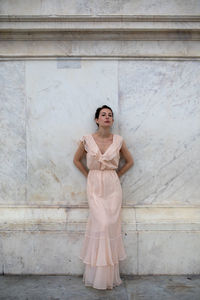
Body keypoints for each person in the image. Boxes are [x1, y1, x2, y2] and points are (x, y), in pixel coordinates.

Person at [73, 105, 134, 290]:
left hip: (112, 186)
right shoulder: (86, 140)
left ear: (112, 121)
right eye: (103, 115)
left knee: (109, 227)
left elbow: (130, 161)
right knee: (102, 224)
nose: (107, 117)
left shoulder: (118, 141)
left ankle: (107, 276)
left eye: (110, 115)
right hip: (94, 184)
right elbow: (76, 160)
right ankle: (96, 274)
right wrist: (89, 175)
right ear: (97, 120)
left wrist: (116, 174)